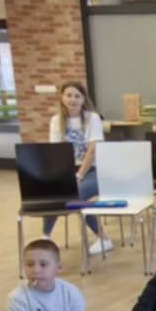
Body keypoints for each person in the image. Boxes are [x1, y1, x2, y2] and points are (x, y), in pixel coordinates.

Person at [43, 80, 108, 254]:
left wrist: (79, 176)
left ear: (83, 99)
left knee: (76, 195)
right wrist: (59, 177)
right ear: (62, 98)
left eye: (77, 96)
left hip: (94, 170)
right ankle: (45, 238)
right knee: (52, 192)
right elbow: (56, 152)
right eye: (69, 95)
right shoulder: (56, 121)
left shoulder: (92, 118)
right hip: (68, 171)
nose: (73, 99)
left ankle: (104, 239)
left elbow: (92, 151)